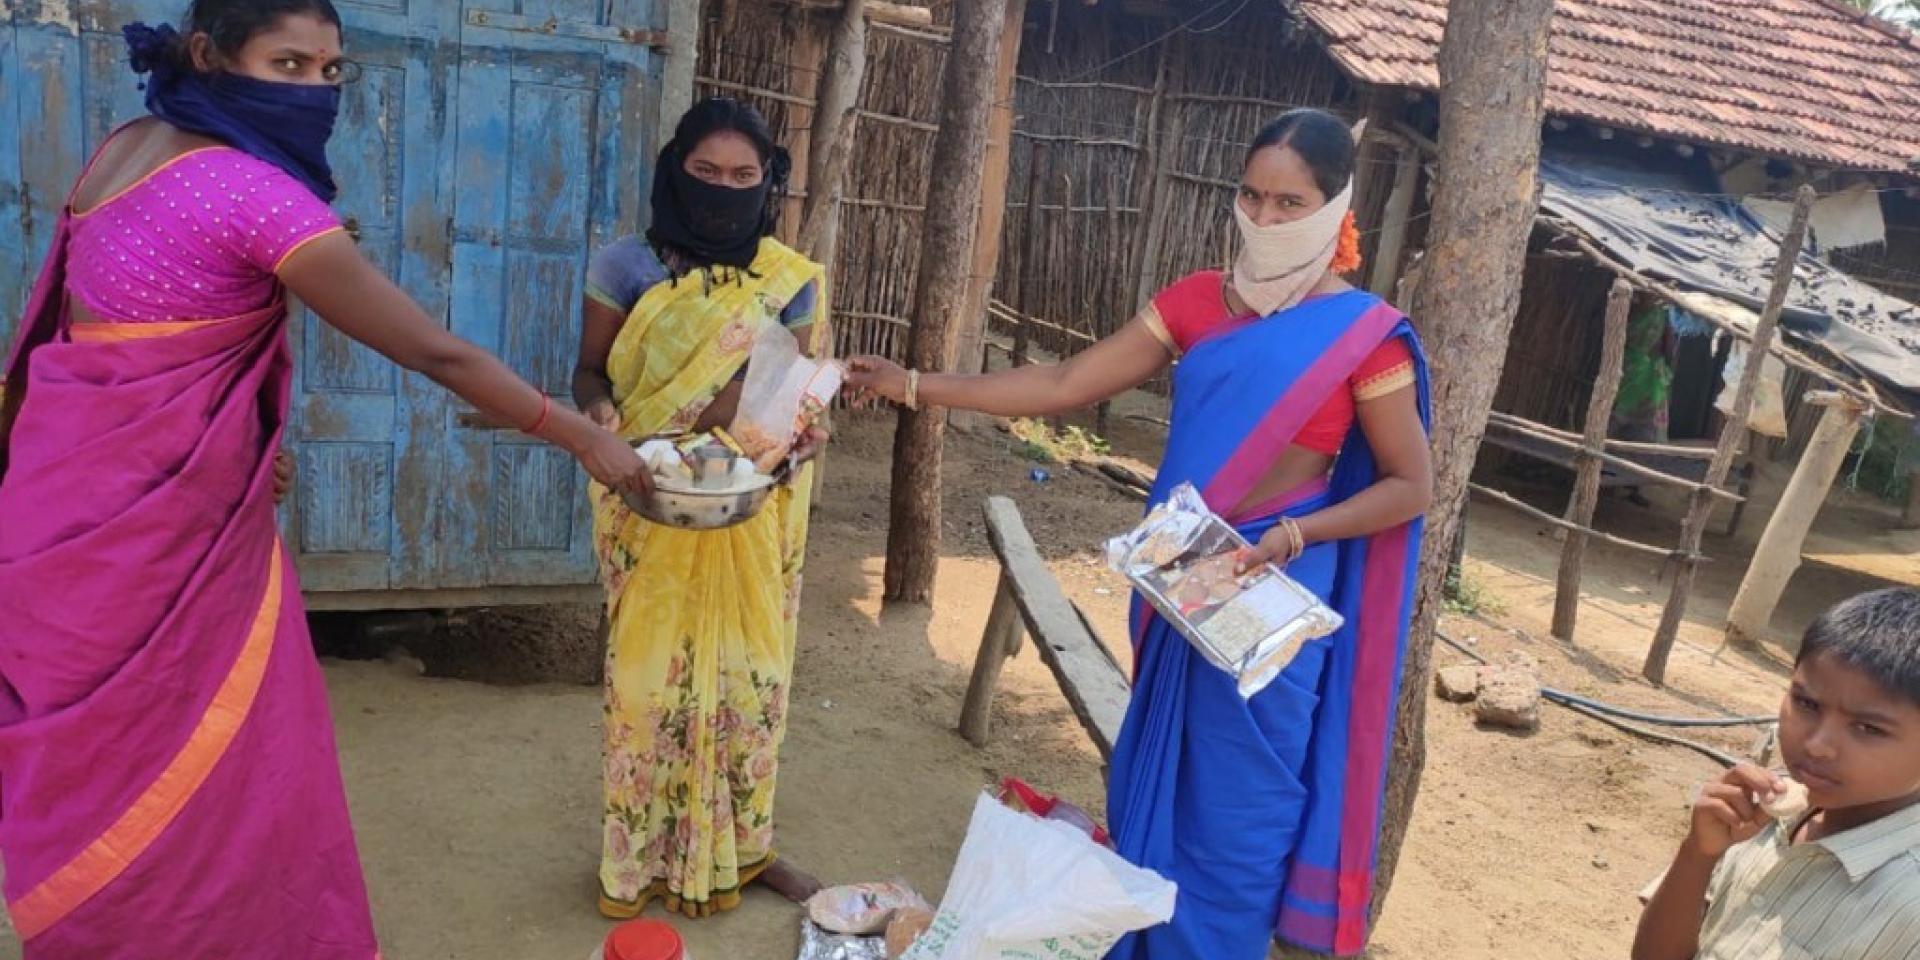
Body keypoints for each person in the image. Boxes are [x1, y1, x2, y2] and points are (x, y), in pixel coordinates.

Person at [0, 3, 648, 957]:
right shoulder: (259, 198)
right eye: (287, 63)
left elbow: (94, 336)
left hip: (65, 500)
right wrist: (581, 440)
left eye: (330, 71)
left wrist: (236, 441)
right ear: (211, 56)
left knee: (106, 768)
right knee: (218, 779)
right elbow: (438, 354)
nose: (313, 90)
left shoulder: (123, 150)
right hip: (156, 538)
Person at [845, 109, 1432, 959]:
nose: (1264, 220)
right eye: (1251, 196)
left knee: (1242, 822)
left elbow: (1410, 487)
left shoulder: (1365, 337)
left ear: (1338, 207)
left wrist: (1295, 536)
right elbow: (1065, 380)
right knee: (1154, 790)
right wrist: (914, 384)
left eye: (1289, 203)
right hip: (1181, 580)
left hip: (1272, 602)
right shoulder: (1196, 301)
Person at [574, 96, 830, 920]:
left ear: (768, 183)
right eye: (707, 173)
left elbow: (795, 390)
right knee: (647, 689)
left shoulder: (789, 280)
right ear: (674, 172)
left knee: (752, 684)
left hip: (749, 507)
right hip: (648, 494)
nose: (725, 189)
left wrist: (806, 431)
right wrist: (602, 418)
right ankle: (636, 863)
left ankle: (746, 850)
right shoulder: (624, 267)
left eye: (745, 177)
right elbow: (589, 374)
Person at [1632, 589, 1920, 960]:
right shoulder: (1763, 807)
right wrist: (1698, 856)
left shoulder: (1907, 907)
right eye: (1806, 704)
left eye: (1868, 728)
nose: (1817, 745)